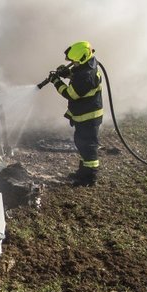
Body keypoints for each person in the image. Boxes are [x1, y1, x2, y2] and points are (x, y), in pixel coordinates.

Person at [46, 41, 103, 186]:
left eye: (74, 62)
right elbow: (78, 76)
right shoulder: (88, 64)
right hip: (84, 114)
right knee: (82, 143)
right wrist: (68, 73)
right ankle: (83, 172)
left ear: (83, 58)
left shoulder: (87, 75)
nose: (73, 64)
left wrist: (56, 81)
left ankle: (90, 178)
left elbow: (71, 94)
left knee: (88, 146)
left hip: (88, 116)